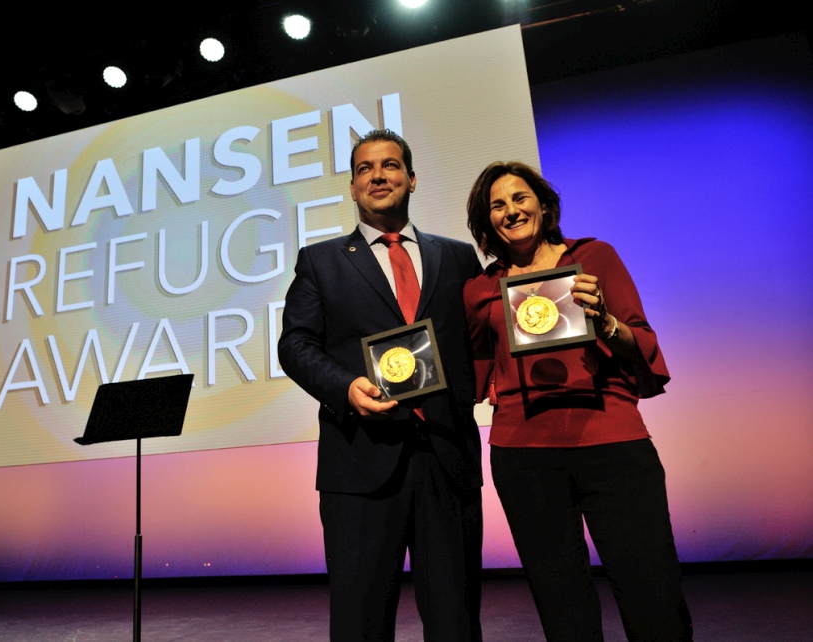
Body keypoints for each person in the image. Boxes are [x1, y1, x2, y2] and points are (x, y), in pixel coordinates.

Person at [463, 161, 693, 641]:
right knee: (560, 601)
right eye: (497, 206)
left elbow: (642, 341)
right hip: (523, 455)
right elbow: (474, 370)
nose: (511, 211)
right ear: (487, 225)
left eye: (520, 198)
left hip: (612, 442)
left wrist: (606, 322)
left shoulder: (595, 258)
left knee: (651, 591)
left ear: (544, 207)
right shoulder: (480, 290)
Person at [278, 129, 484, 641]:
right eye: (365, 168)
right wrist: (345, 388)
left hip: (446, 458)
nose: (378, 175)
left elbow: (482, 338)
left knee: (456, 620)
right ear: (352, 187)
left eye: (390, 165)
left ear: (411, 179)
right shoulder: (321, 261)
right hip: (360, 462)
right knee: (360, 622)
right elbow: (295, 345)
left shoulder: (458, 258)